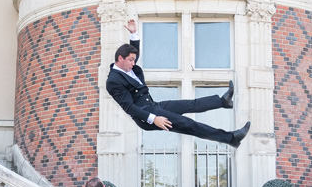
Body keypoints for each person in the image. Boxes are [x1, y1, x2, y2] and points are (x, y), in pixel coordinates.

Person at [106, 20, 250, 147]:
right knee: (188, 124)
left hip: (154, 105)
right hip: (147, 116)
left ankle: (223, 101)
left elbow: (133, 52)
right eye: (131, 60)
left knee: (190, 104)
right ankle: (232, 138)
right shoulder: (113, 81)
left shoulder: (128, 66)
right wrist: (154, 119)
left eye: (133, 60)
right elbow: (129, 108)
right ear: (120, 58)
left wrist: (134, 34)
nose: (133, 63)